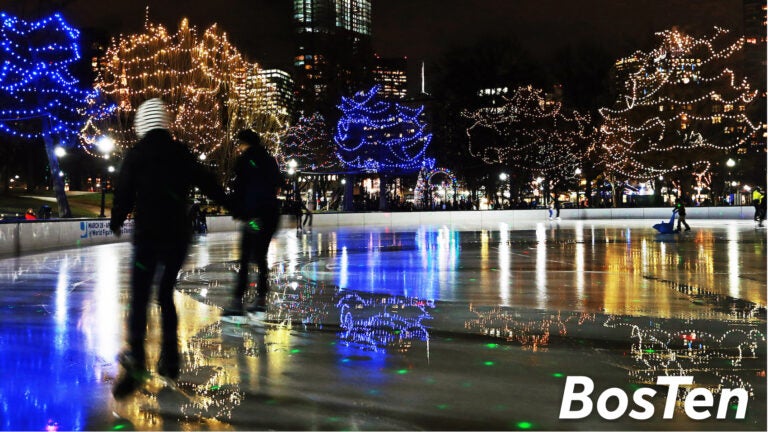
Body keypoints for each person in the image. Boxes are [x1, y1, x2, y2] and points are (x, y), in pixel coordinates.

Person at [109, 98, 227, 399]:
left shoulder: (137, 154)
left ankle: (137, 359)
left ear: (142, 124)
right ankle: (171, 358)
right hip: (177, 236)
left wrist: (117, 217)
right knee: (164, 294)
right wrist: (232, 204)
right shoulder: (180, 152)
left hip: (148, 236)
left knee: (139, 296)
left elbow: (123, 189)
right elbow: (208, 181)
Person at [221, 129, 282, 322]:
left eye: (240, 143)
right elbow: (279, 182)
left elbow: (240, 189)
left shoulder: (245, 160)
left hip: (254, 218)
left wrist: (240, 212)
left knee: (246, 257)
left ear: (245, 143)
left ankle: (237, 302)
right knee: (261, 257)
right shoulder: (270, 160)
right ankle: (261, 300)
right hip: (270, 215)